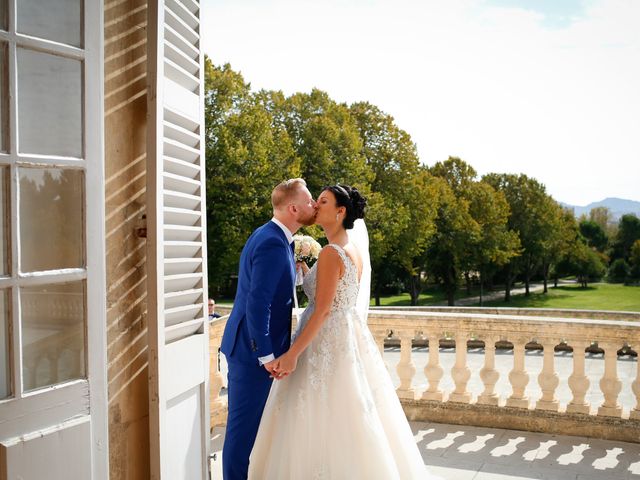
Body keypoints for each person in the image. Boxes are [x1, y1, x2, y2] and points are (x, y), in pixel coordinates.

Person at [248, 185, 441, 479]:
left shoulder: (330, 253)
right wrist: (304, 273)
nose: (315, 205)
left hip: (324, 340)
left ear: (340, 212)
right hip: (344, 339)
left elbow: (324, 310)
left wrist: (292, 355)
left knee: (318, 417)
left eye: (322, 202)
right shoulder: (350, 250)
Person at [220, 178, 317, 480]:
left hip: (254, 349)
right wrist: (266, 355)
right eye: (309, 200)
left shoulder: (277, 236)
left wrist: (298, 277)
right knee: (242, 434)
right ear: (293, 207)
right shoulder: (273, 242)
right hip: (251, 354)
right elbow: (257, 304)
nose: (313, 205)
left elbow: (271, 289)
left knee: (255, 430)